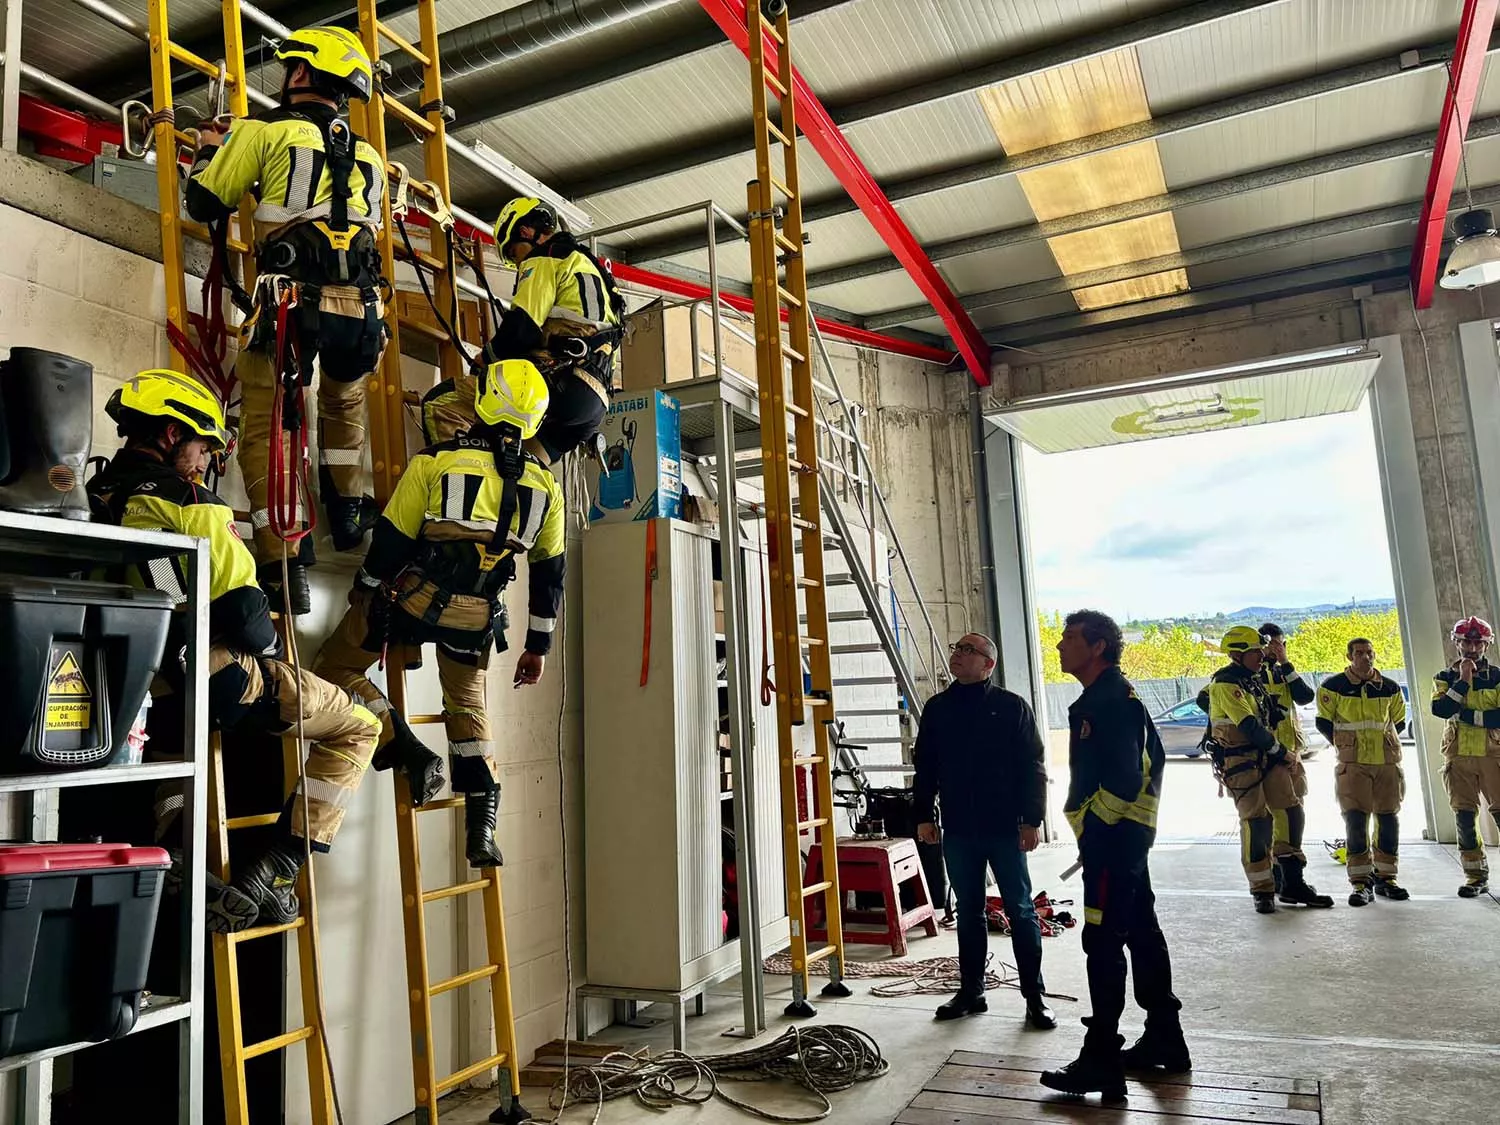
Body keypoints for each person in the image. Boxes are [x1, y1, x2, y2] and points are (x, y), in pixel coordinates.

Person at [88, 370, 380, 931]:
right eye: (201, 447)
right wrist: (272, 651)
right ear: (172, 435)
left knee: (173, 748)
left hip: (134, 685)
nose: (203, 462)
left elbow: (157, 588)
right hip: (216, 675)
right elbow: (247, 616)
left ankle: (174, 850)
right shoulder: (188, 499)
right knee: (359, 726)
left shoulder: (95, 495)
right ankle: (279, 865)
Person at [313, 360, 565, 867]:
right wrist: (536, 648)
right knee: (469, 710)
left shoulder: (435, 464)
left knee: (332, 669)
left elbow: (389, 543)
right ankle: (483, 828)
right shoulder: (548, 491)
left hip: (410, 602)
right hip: (475, 622)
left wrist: (362, 588)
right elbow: (548, 577)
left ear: (484, 403)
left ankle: (403, 744)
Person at [185, 25, 388, 615]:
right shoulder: (373, 155)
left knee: (269, 429)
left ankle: (286, 562)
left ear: (302, 74)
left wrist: (207, 146)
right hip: (362, 313)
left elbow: (204, 202)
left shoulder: (265, 132)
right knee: (344, 411)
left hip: (289, 307)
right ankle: (348, 515)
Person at [1040, 610, 1185, 1099]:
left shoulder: (1110, 702)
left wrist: (1094, 830)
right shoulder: (1111, 698)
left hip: (1113, 844)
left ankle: (1101, 1056)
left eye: (1070, 638)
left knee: (1101, 944)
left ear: (1097, 647)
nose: (1060, 645)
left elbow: (1124, 779)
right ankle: (1166, 1039)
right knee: (1142, 933)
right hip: (1124, 843)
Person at [911, 633, 1054, 1030]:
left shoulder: (1011, 708)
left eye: (968, 650)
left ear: (988, 664)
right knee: (968, 913)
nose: (957, 654)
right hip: (958, 828)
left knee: (1021, 910)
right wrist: (923, 814)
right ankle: (971, 991)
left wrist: (1032, 820)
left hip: (1005, 827)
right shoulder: (939, 708)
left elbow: (1033, 766)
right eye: (956, 647)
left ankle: (1034, 997)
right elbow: (925, 766)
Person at [421, 197, 626, 462]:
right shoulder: (594, 272)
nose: (518, 264)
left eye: (514, 254)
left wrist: (485, 358)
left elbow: (522, 328)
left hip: (558, 384)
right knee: (524, 469)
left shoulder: (546, 257)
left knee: (440, 403)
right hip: (592, 406)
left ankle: (457, 488)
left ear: (526, 232)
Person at [1316, 638, 1408, 906]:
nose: (1365, 658)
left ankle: (1387, 878)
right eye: (1359, 653)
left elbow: (1398, 722)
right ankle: (1360, 883)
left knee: (1388, 819)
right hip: (1353, 764)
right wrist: (1346, 746)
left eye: (1369, 653)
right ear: (1349, 656)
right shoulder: (1333, 687)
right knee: (1356, 821)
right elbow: (1323, 722)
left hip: (1386, 764)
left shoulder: (1389, 687)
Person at [1257, 623, 1333, 908]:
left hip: (1292, 755)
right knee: (1276, 818)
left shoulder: (1283, 671)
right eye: (1271, 645)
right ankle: (1280, 880)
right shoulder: (1251, 674)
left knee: (1292, 814)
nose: (1276, 649)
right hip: (1266, 756)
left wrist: (1285, 662)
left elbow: (1304, 696)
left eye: (1281, 644)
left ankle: (1286, 880)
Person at [1431, 616, 1500, 897]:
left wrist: (1468, 714)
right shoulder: (1444, 677)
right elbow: (1442, 710)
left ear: (1487, 645)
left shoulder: (1497, 676)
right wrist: (1463, 681)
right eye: (1466, 642)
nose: (1472, 648)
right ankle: (1475, 877)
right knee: (1465, 819)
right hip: (1458, 757)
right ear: (1456, 643)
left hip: (1493, 755)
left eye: (1478, 643)